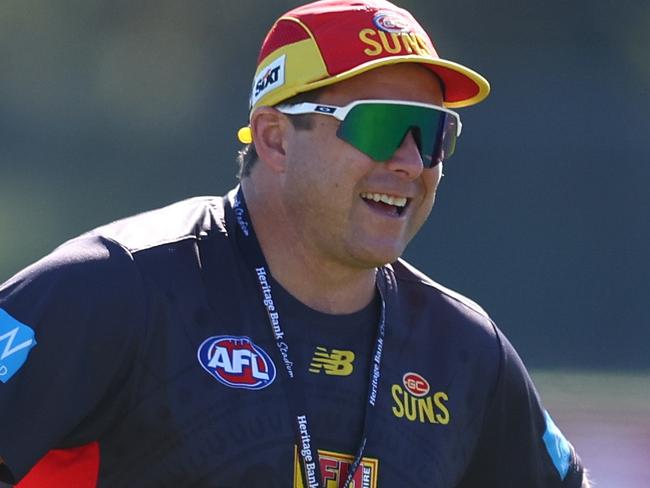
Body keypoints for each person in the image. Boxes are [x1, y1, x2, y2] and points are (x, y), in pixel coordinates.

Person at [0, 0, 590, 486]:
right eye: (381, 125)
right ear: (275, 139)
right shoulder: (115, 286)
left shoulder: (465, 350)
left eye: (433, 133)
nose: (412, 161)